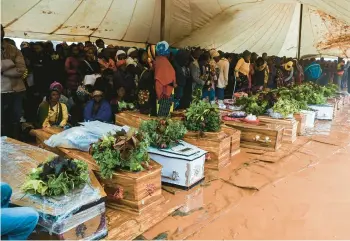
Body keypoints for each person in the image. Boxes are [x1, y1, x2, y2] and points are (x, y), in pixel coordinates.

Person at [1, 25, 27, 139]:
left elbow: (21, 69)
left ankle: (14, 147)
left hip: (15, 90)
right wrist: (9, 63)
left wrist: (2, 72)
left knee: (14, 120)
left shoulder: (13, 49)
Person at [154, 41, 176, 117]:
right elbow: (161, 81)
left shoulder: (159, 61)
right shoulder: (163, 63)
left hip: (164, 94)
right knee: (162, 119)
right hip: (165, 95)